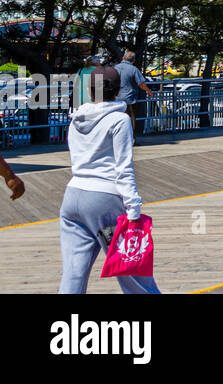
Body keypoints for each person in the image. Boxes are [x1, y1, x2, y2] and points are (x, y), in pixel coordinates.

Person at [59, 65, 160, 294]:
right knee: (133, 273)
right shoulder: (119, 120)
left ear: (90, 90)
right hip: (104, 201)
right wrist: (133, 210)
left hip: (73, 196)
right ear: (118, 90)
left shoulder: (76, 118)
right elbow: (123, 168)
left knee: (73, 274)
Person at [113, 50, 153, 145]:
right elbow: (141, 84)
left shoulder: (115, 68)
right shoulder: (134, 69)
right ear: (133, 60)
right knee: (130, 121)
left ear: (123, 58)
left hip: (115, 100)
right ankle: (131, 140)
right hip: (128, 100)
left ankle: (117, 140)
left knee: (117, 120)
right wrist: (148, 91)